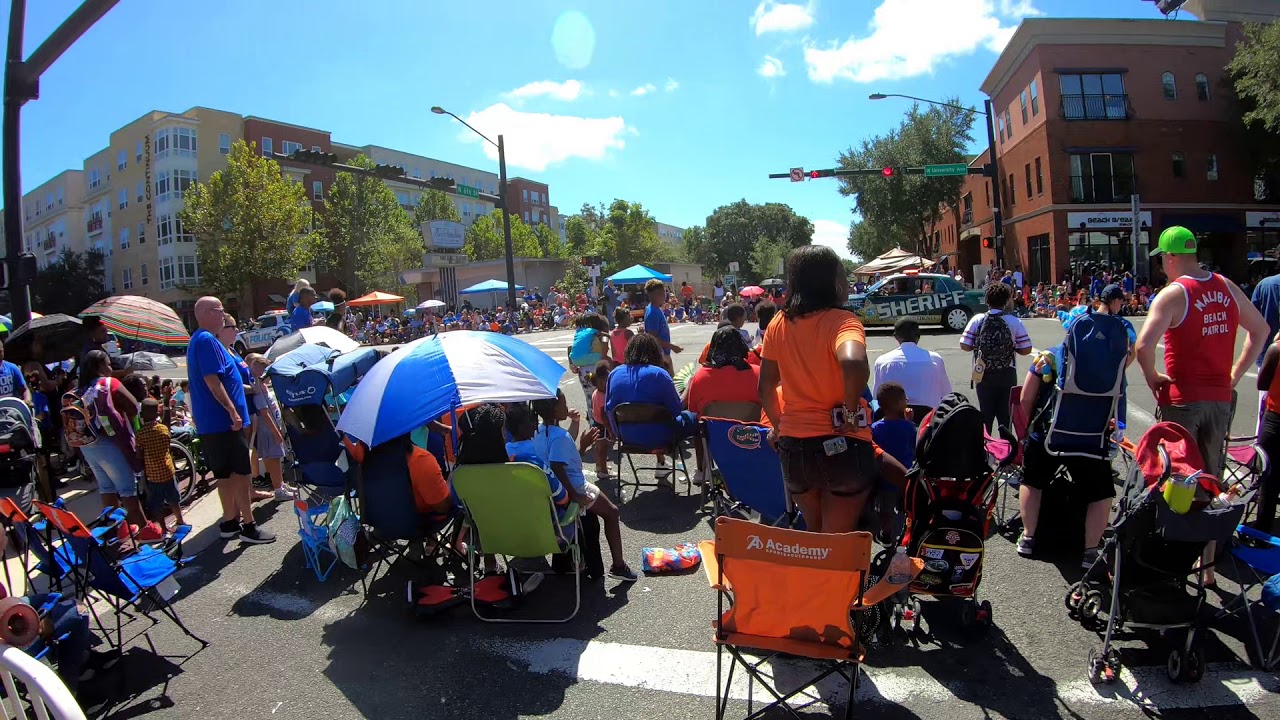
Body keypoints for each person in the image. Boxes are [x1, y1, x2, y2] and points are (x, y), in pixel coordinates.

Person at [1136, 227, 1269, 583]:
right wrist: (1233, 376)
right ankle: (1206, 567)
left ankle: (1173, 561)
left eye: (1163, 259)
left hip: (1183, 399)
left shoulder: (1173, 294)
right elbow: (1260, 330)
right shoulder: (1225, 286)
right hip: (1219, 399)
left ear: (1170, 257)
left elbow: (1143, 347)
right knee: (1212, 480)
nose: (1163, 266)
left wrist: (1153, 380)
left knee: (1177, 480)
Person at [759, 245, 879, 534]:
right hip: (842, 448)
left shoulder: (779, 323)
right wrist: (850, 412)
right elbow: (853, 362)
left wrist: (779, 426)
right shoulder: (843, 322)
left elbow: (765, 388)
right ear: (834, 283)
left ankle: (816, 578)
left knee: (816, 536)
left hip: (795, 451)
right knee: (837, 542)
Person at [1015, 344, 1116, 568]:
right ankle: (1090, 550)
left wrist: (1031, 428)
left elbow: (1025, 398)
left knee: (1032, 481)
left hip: (1050, 434)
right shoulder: (1108, 359)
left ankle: (1028, 537)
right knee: (1101, 493)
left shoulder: (1050, 355)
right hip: (1091, 437)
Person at [187, 297, 274, 545]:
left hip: (215, 424)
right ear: (206, 313)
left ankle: (229, 521)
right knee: (240, 474)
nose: (224, 316)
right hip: (224, 423)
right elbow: (212, 382)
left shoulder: (202, 341)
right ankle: (248, 525)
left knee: (225, 476)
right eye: (220, 311)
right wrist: (232, 412)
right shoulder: (205, 340)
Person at [532, 389, 638, 582]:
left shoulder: (538, 432)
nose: (566, 407)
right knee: (612, 512)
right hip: (573, 486)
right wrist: (575, 495)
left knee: (599, 515)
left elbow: (560, 460)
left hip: (552, 488)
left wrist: (580, 441)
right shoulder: (559, 436)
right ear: (554, 411)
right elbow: (559, 466)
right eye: (562, 405)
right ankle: (618, 565)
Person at [606, 333, 696, 482]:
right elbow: (676, 409)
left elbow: (609, 410)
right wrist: (688, 388)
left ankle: (661, 463)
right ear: (655, 352)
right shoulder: (659, 374)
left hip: (627, 436)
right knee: (696, 419)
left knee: (654, 415)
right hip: (662, 436)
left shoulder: (614, 374)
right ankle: (702, 471)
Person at [75, 350, 149, 529]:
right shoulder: (109, 383)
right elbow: (133, 405)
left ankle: (118, 530)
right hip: (111, 442)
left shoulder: (80, 389)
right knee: (126, 489)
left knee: (106, 487)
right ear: (98, 366)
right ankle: (145, 530)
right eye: (108, 364)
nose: (110, 368)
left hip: (88, 444)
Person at [961, 282, 1032, 432]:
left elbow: (964, 345)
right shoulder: (1013, 321)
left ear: (986, 300)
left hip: (983, 373)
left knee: (985, 417)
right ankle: (1007, 451)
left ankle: (984, 451)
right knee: (1005, 417)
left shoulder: (977, 320)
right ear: (1007, 301)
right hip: (1007, 373)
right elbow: (1026, 349)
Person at [245, 354, 296, 502]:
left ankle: (280, 484)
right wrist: (275, 432)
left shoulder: (263, 387)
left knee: (276, 456)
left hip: (272, 427)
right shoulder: (257, 389)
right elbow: (264, 412)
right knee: (272, 458)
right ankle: (278, 490)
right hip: (267, 430)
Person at [873, 319, 951, 411]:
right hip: (928, 419)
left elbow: (876, 396)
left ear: (896, 337)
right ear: (918, 335)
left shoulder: (882, 361)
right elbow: (947, 393)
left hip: (895, 417)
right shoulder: (935, 359)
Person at [871, 382, 916, 542]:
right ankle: (907, 533)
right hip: (905, 476)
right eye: (904, 399)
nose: (907, 401)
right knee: (906, 508)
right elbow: (914, 448)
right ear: (899, 403)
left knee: (885, 511)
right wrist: (909, 421)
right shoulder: (909, 427)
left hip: (884, 478)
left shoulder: (875, 428)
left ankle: (886, 535)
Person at [135, 398, 186, 528]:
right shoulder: (163, 429)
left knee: (156, 504)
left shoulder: (140, 434)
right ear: (157, 414)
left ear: (141, 416)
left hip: (153, 476)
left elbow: (139, 455)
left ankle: (163, 528)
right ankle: (180, 521)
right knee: (174, 500)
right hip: (168, 471)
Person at [567, 313, 611, 406]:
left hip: (583, 371)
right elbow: (605, 349)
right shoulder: (602, 336)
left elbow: (570, 348)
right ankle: (601, 417)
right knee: (602, 395)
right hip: (596, 369)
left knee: (590, 398)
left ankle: (592, 417)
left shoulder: (584, 334)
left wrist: (571, 364)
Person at [642, 279, 682, 372]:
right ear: (656, 294)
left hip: (663, 353)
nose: (665, 295)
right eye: (663, 292)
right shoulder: (653, 313)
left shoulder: (656, 308)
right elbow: (653, 338)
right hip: (659, 356)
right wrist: (672, 347)